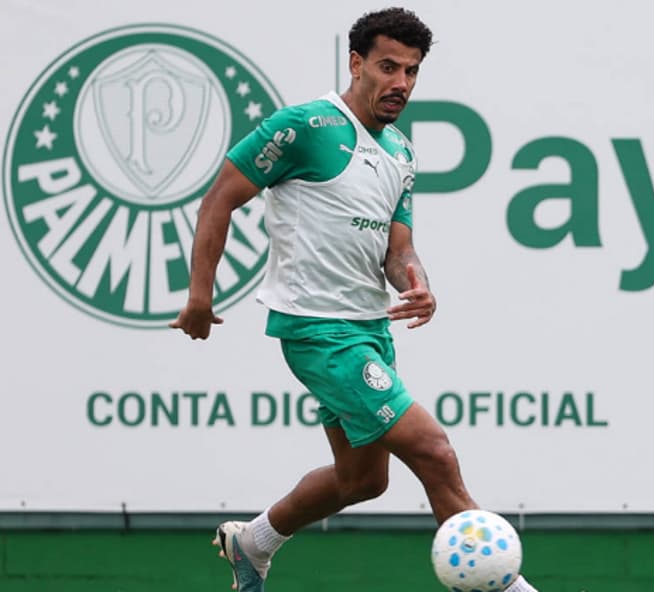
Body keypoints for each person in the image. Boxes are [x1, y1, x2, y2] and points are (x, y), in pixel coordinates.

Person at [170, 7, 540, 592]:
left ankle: (254, 541)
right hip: (319, 334)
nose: (400, 83)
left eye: (412, 72)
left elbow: (399, 250)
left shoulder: (400, 154)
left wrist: (416, 282)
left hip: (368, 331)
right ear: (356, 62)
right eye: (388, 67)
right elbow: (218, 200)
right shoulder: (306, 127)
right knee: (435, 451)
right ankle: (505, 587)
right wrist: (199, 296)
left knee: (363, 482)